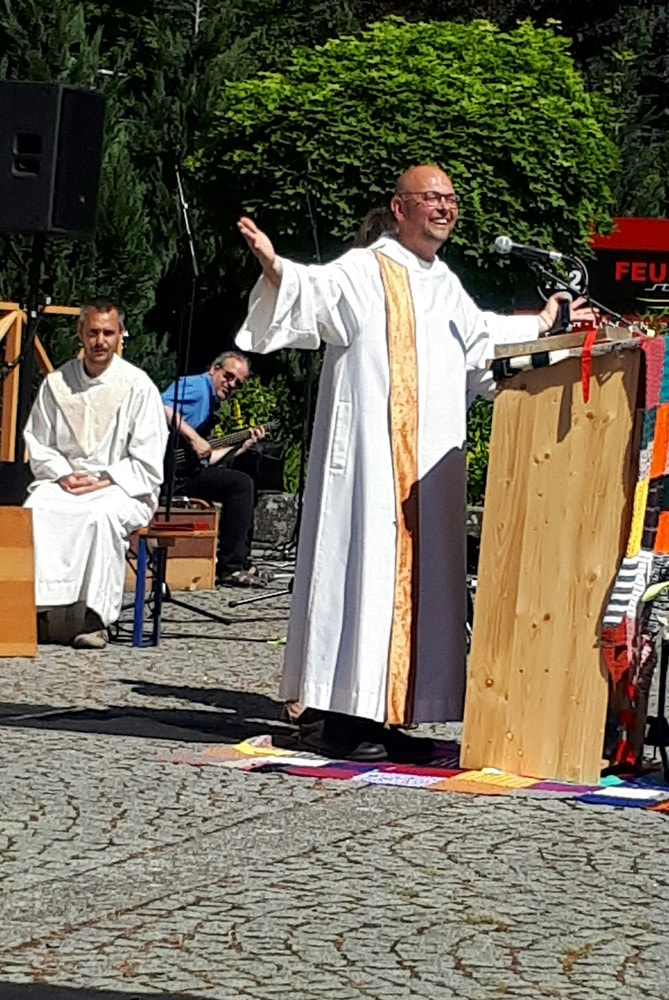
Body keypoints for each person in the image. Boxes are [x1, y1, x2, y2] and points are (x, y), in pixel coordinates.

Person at [236, 163, 596, 762]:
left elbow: (481, 342)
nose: (444, 207)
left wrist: (545, 325)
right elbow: (314, 292)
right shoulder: (366, 268)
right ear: (400, 208)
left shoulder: (444, 283)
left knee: (414, 586)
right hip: (373, 469)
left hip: (428, 470)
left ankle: (390, 714)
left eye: (450, 198)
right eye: (431, 197)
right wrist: (276, 267)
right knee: (367, 577)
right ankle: (345, 717)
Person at [23, 298, 167, 649]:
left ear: (120, 335)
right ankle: (38, 613)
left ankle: (95, 618)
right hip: (67, 481)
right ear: (81, 333)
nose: (100, 341)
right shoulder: (57, 384)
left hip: (122, 485)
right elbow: (40, 442)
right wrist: (62, 474)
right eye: (93, 332)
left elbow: (147, 456)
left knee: (100, 517)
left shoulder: (137, 386)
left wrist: (106, 479)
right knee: (36, 509)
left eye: (107, 333)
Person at [161, 351, 267, 586]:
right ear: (214, 369)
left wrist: (240, 447)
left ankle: (237, 561)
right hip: (165, 474)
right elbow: (162, 406)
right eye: (228, 376)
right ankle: (231, 566)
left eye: (238, 383)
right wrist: (194, 437)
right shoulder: (198, 387)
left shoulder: (210, 402)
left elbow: (207, 458)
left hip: (183, 472)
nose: (231, 385)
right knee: (241, 485)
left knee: (240, 483)